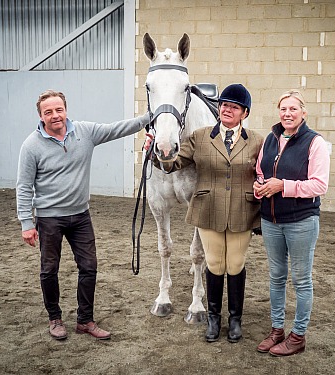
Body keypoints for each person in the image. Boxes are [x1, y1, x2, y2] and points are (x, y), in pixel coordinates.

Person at [16, 89, 150, 340]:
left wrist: (149, 117)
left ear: (66, 110)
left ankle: (85, 320)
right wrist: (26, 222)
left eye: (59, 110)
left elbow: (116, 129)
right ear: (41, 116)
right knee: (49, 269)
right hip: (49, 219)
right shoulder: (31, 146)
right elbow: (24, 186)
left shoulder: (85, 132)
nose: (55, 115)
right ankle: (55, 318)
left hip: (80, 216)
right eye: (48, 112)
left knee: (89, 267)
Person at [147, 84, 263, 343]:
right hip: (209, 211)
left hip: (240, 213)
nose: (227, 110)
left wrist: (265, 207)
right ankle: (212, 317)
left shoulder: (256, 140)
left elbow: (264, 172)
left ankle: (235, 319)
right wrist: (155, 151)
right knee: (213, 264)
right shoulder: (200, 137)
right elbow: (174, 162)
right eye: (224, 105)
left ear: (245, 112)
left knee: (235, 265)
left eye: (234, 107)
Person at [253, 90, 330, 356]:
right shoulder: (271, 139)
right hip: (271, 221)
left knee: (301, 280)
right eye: (283, 109)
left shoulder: (314, 142)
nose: (287, 113)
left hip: (301, 221)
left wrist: (282, 186)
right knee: (276, 277)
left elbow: (320, 185)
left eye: (293, 109)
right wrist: (259, 187)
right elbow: (261, 172)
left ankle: (298, 335)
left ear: (303, 113)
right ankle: (277, 330)